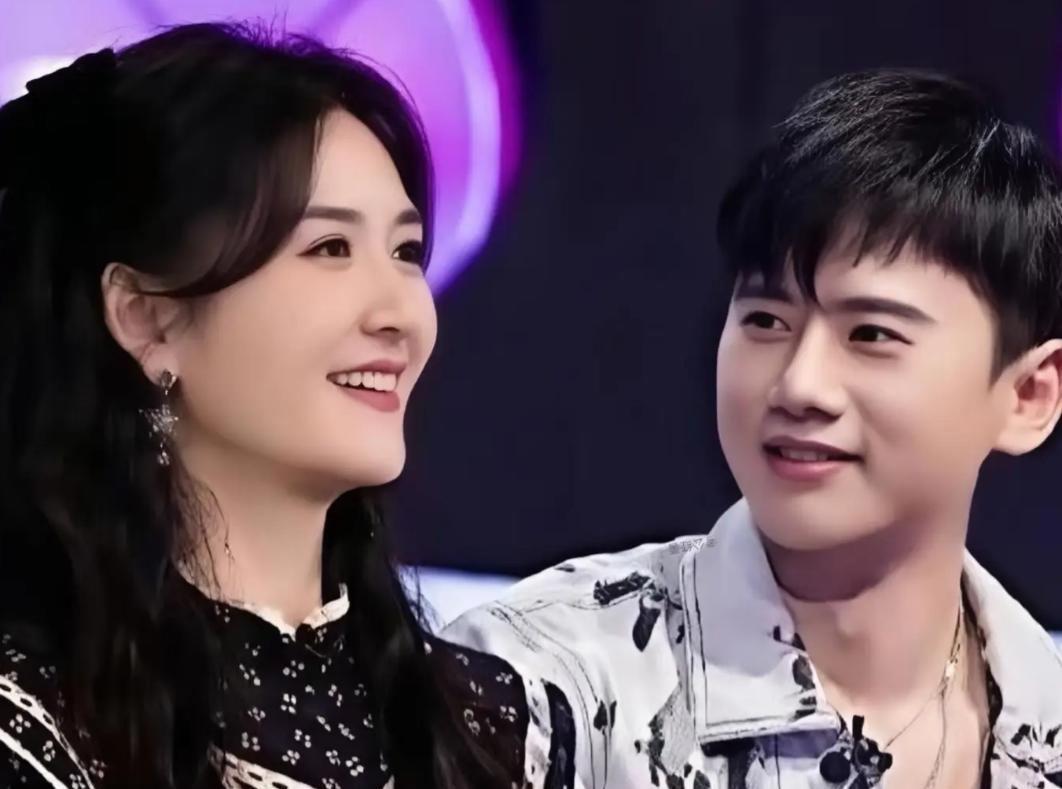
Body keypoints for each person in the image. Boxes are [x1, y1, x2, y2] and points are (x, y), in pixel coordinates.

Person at [446, 70, 1062, 788]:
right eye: (766, 320)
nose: (800, 384)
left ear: (1028, 395)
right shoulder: (532, 687)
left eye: (870, 334)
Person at [0, 23, 572, 789]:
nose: (400, 313)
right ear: (147, 318)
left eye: (406, 252)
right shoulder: (34, 723)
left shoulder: (494, 724)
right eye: (330, 248)